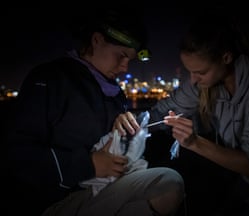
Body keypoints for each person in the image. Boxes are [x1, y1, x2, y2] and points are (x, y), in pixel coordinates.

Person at [113, 11, 249, 216]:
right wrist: (134, 122)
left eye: (200, 72)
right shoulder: (204, 83)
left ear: (226, 57)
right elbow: (163, 109)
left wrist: (194, 142)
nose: (193, 80)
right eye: (189, 71)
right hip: (242, 176)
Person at [6, 7, 185, 216]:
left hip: (105, 190)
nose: (125, 67)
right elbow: (16, 155)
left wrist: (129, 132)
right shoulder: (49, 79)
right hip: (56, 201)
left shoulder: (116, 94)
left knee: (166, 188)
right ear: (96, 40)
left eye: (130, 60)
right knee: (168, 184)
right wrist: (89, 164)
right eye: (121, 55)